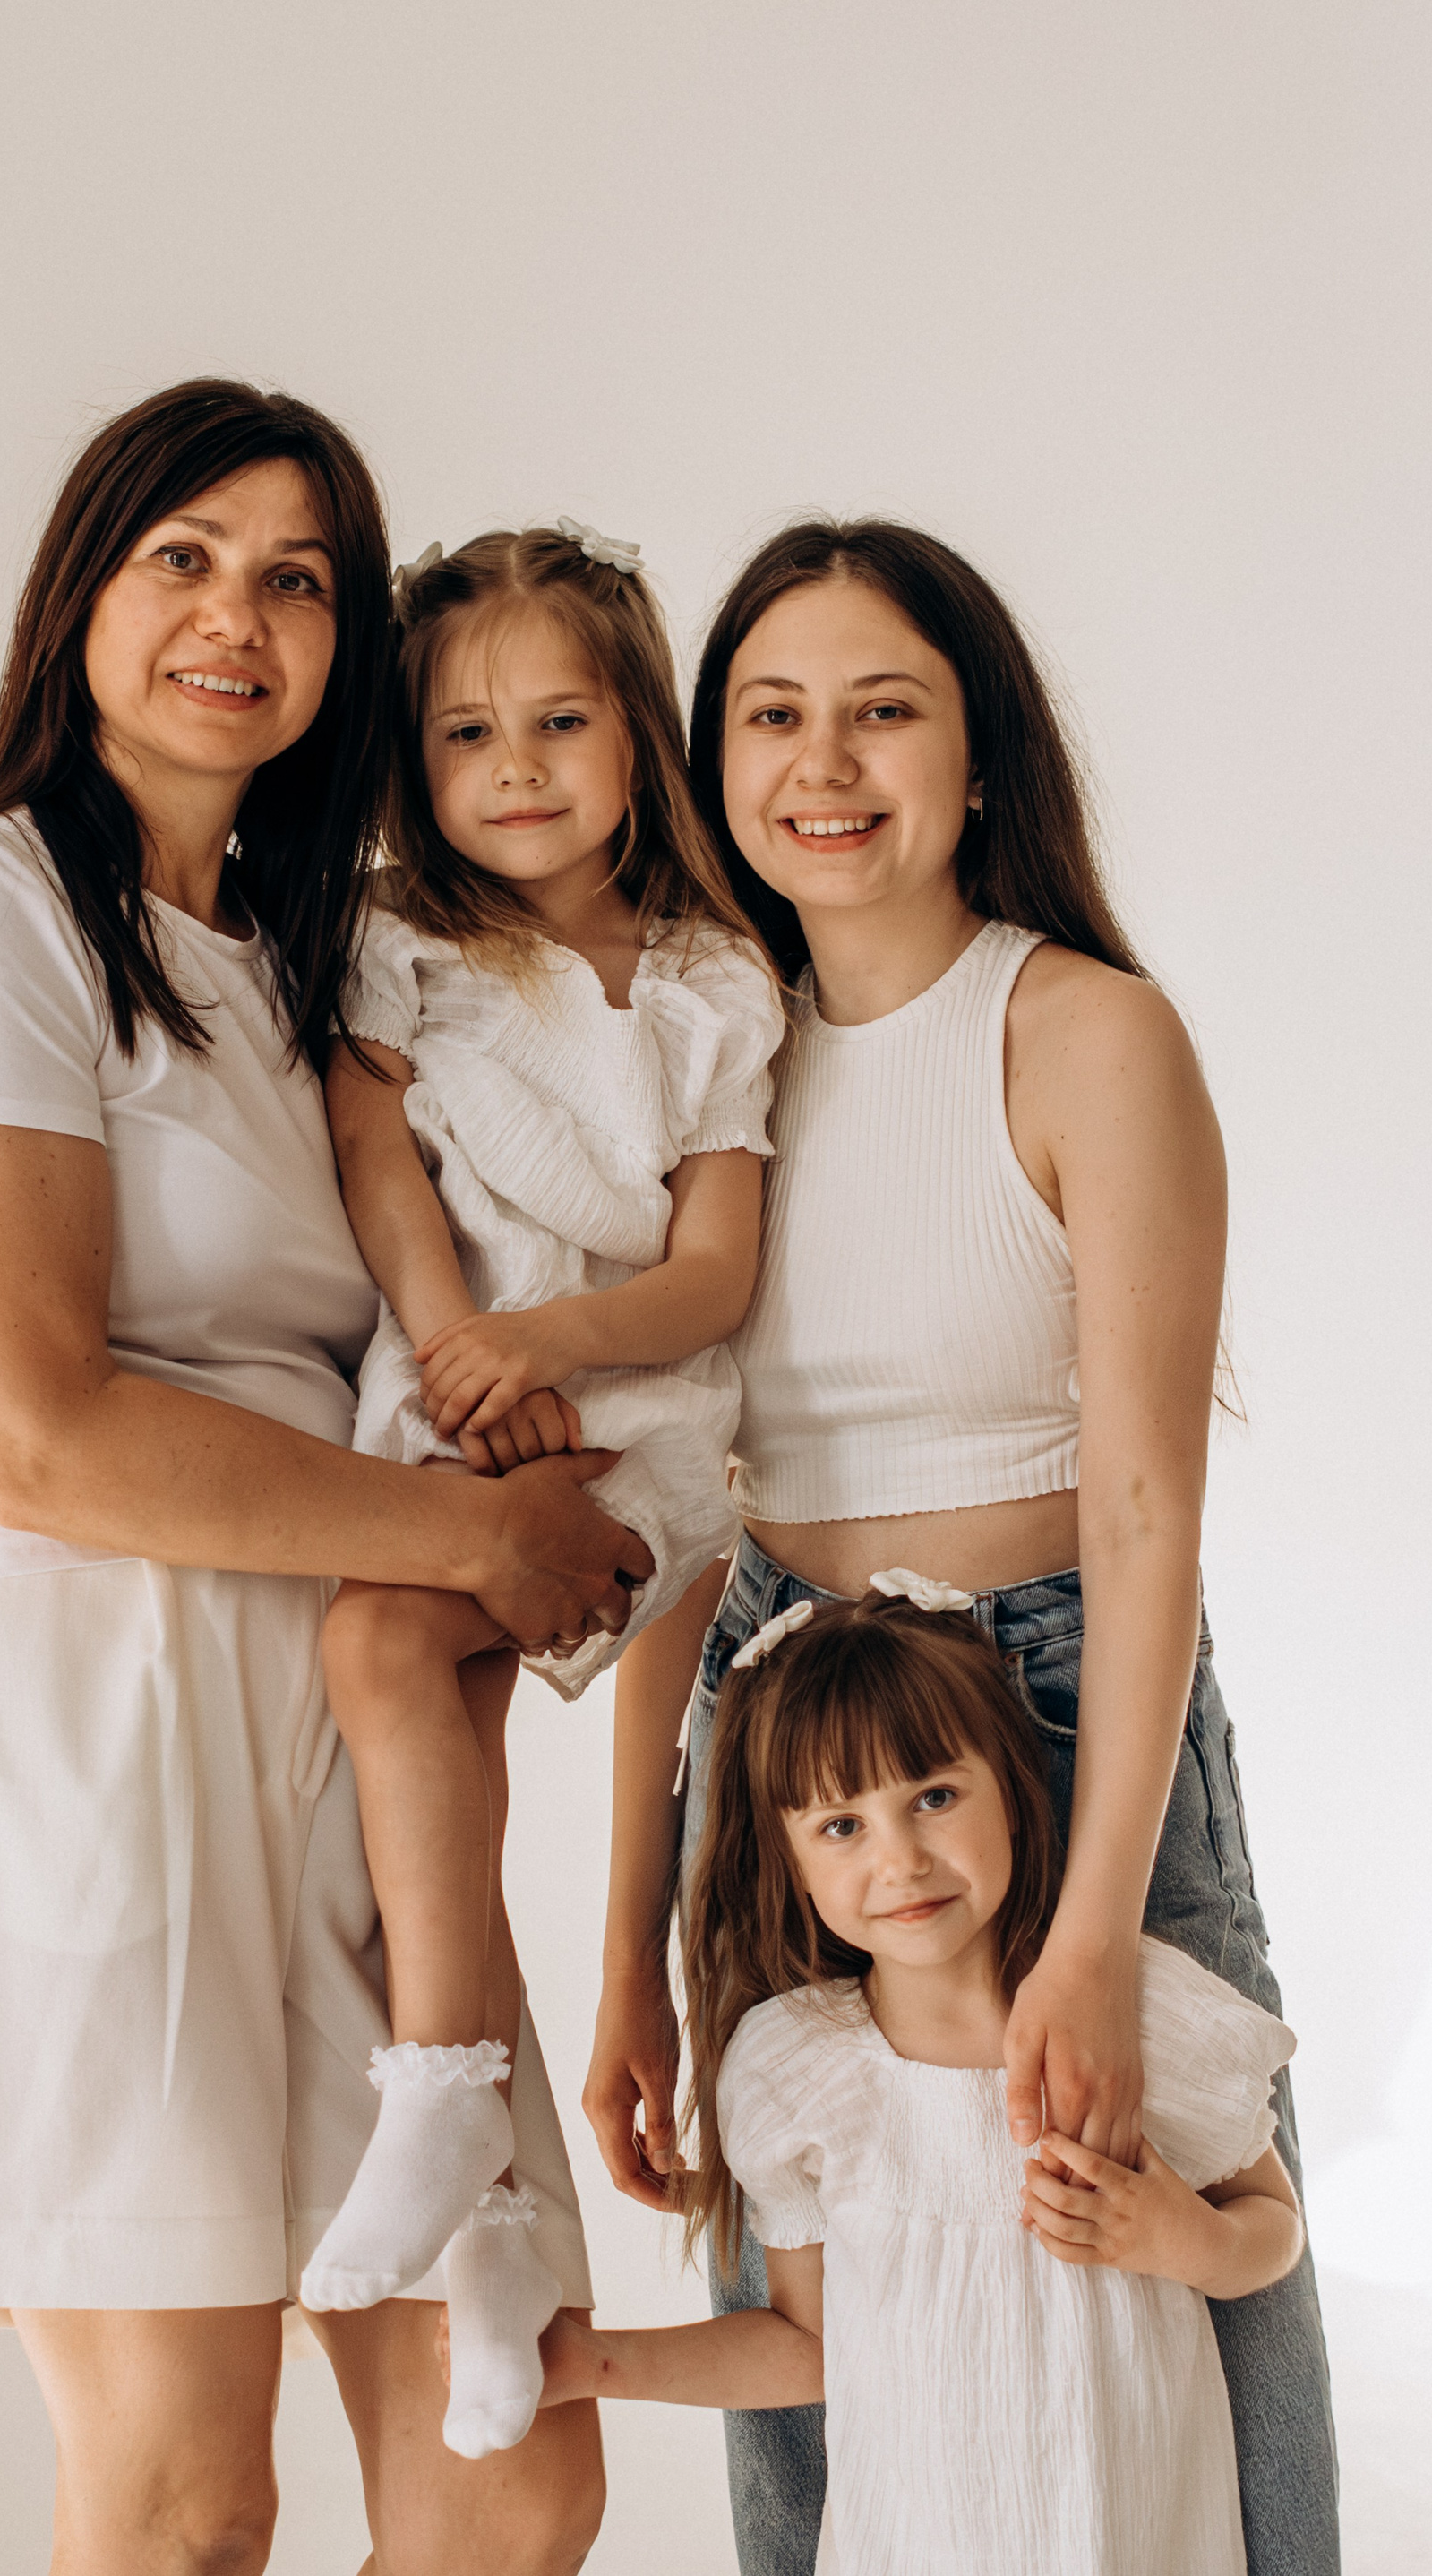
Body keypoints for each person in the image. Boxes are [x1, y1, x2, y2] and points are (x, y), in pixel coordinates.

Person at [0, 380, 650, 2576]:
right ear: (80, 591)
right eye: (184, 557)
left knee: (512, 2482)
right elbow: (38, 1426)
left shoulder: (322, 961)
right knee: (188, 2496)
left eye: (297, 579)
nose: (238, 616)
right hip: (83, 1710)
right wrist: (476, 1534)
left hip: (338, 1706)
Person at [582, 519, 1339, 2573]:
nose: (823, 763)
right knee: (824, 2290)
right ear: (712, 764)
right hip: (780, 1713)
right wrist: (635, 1942)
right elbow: (679, 1523)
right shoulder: (701, 1059)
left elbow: (1147, 1503)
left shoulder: (1085, 1032)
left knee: (1179, 2232)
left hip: (1056, 1695)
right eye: (771, 714)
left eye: (882, 709)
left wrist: (1088, 1930)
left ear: (979, 753)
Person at [302, 523, 782, 2462]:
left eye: (560, 721)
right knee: (413, 1689)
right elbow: (377, 1158)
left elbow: (716, 1269)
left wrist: (554, 1352)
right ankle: (492, 2222)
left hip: (634, 1422)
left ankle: (443, 2087)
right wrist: (456, 1351)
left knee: (387, 1649)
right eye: (465, 733)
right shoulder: (399, 942)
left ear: (638, 730)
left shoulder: (718, 982)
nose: (513, 768)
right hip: (447, 1400)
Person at [542, 1586, 1303, 2575]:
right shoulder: (796, 2069)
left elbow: (1272, 2226)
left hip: (1135, 2539)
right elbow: (807, 2343)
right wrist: (591, 2364)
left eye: (934, 1797)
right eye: (841, 1826)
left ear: (1013, 1792)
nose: (901, 1859)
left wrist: (1183, 2238)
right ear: (790, 1859)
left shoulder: (1133, 2019)